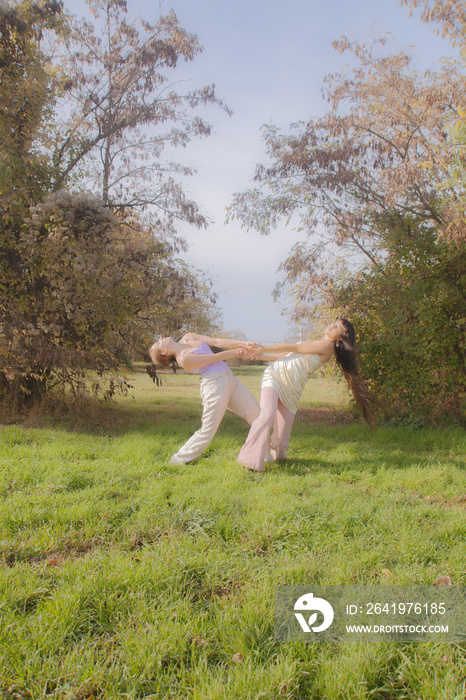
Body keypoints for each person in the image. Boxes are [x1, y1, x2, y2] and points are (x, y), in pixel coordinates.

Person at [236, 319, 378, 472]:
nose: (332, 325)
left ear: (341, 337)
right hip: (275, 376)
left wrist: (261, 349)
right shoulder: (318, 342)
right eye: (334, 322)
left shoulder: (327, 346)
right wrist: (256, 356)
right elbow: (285, 355)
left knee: (280, 443)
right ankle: (250, 460)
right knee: (267, 415)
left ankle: (274, 455)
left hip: (292, 389)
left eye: (337, 327)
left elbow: (294, 346)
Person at [149, 332, 261, 465]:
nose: (161, 338)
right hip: (214, 385)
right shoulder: (184, 359)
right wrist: (237, 352)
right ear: (164, 351)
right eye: (158, 342)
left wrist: (244, 344)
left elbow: (217, 342)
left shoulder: (189, 336)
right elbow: (214, 358)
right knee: (208, 429)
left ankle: (264, 454)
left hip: (229, 379)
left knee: (258, 416)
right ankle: (177, 461)